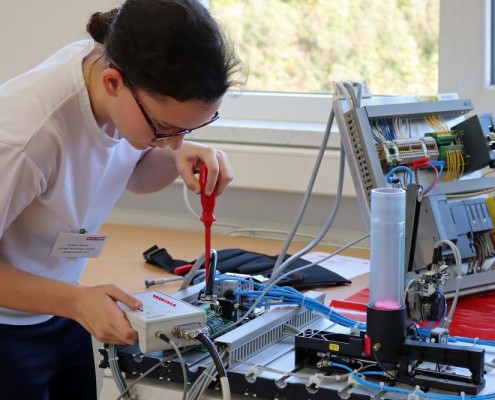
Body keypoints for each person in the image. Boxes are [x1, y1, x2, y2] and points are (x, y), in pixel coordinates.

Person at [0, 0, 242, 399]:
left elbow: (133, 175)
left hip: (61, 306)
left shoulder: (114, 73)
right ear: (113, 83)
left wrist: (175, 156)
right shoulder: (23, 137)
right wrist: (74, 301)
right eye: (164, 128)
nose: (175, 141)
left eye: (189, 129)